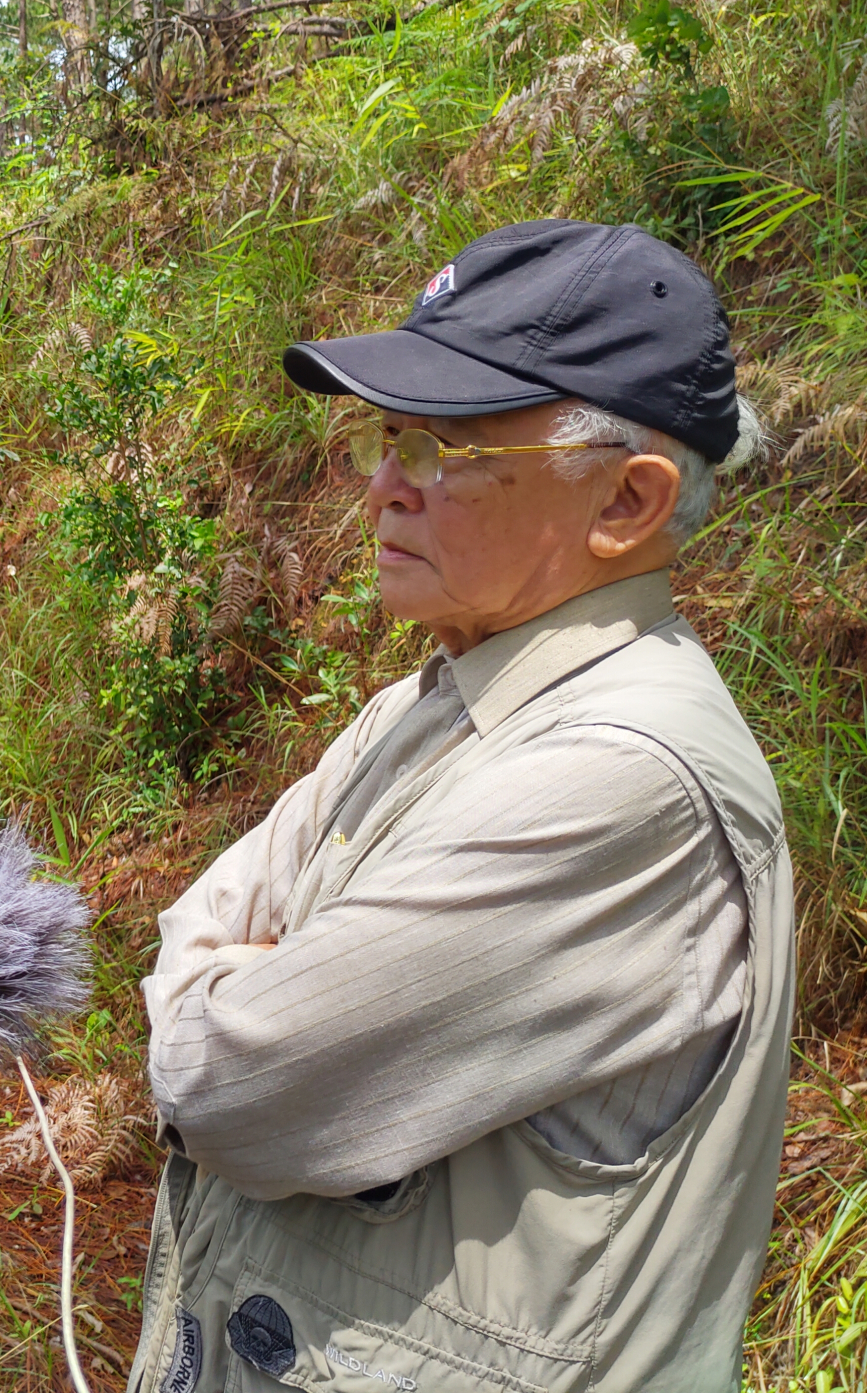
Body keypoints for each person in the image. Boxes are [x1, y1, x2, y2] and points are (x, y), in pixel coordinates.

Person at [125, 220, 789, 1393]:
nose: (382, 488)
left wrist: (236, 990)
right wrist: (244, 974)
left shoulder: (617, 778)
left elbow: (224, 1086)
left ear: (626, 503)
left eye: (443, 451)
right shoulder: (431, 700)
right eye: (388, 437)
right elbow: (203, 920)